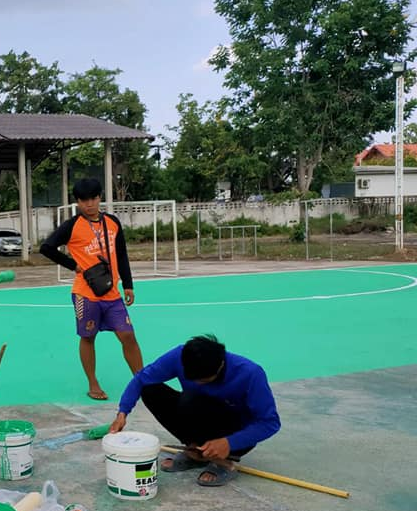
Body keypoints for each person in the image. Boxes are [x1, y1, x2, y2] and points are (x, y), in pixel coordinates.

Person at [109, 335, 281, 487]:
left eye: (204, 380)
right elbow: (141, 378)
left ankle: (223, 462)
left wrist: (229, 442)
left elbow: (270, 422)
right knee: (150, 388)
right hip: (199, 412)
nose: (198, 383)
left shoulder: (250, 373)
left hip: (234, 429)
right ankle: (197, 452)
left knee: (190, 399)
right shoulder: (180, 355)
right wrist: (122, 413)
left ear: (220, 366)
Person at [39, 177, 143, 400]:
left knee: (128, 336)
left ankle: (142, 381)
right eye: (83, 200)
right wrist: (73, 265)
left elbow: (122, 254)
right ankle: (93, 383)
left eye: (93, 199)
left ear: (99, 198)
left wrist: (128, 284)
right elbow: (46, 247)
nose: (89, 204)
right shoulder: (72, 226)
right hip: (85, 294)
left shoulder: (113, 222)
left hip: (112, 293)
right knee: (88, 337)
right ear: (77, 202)